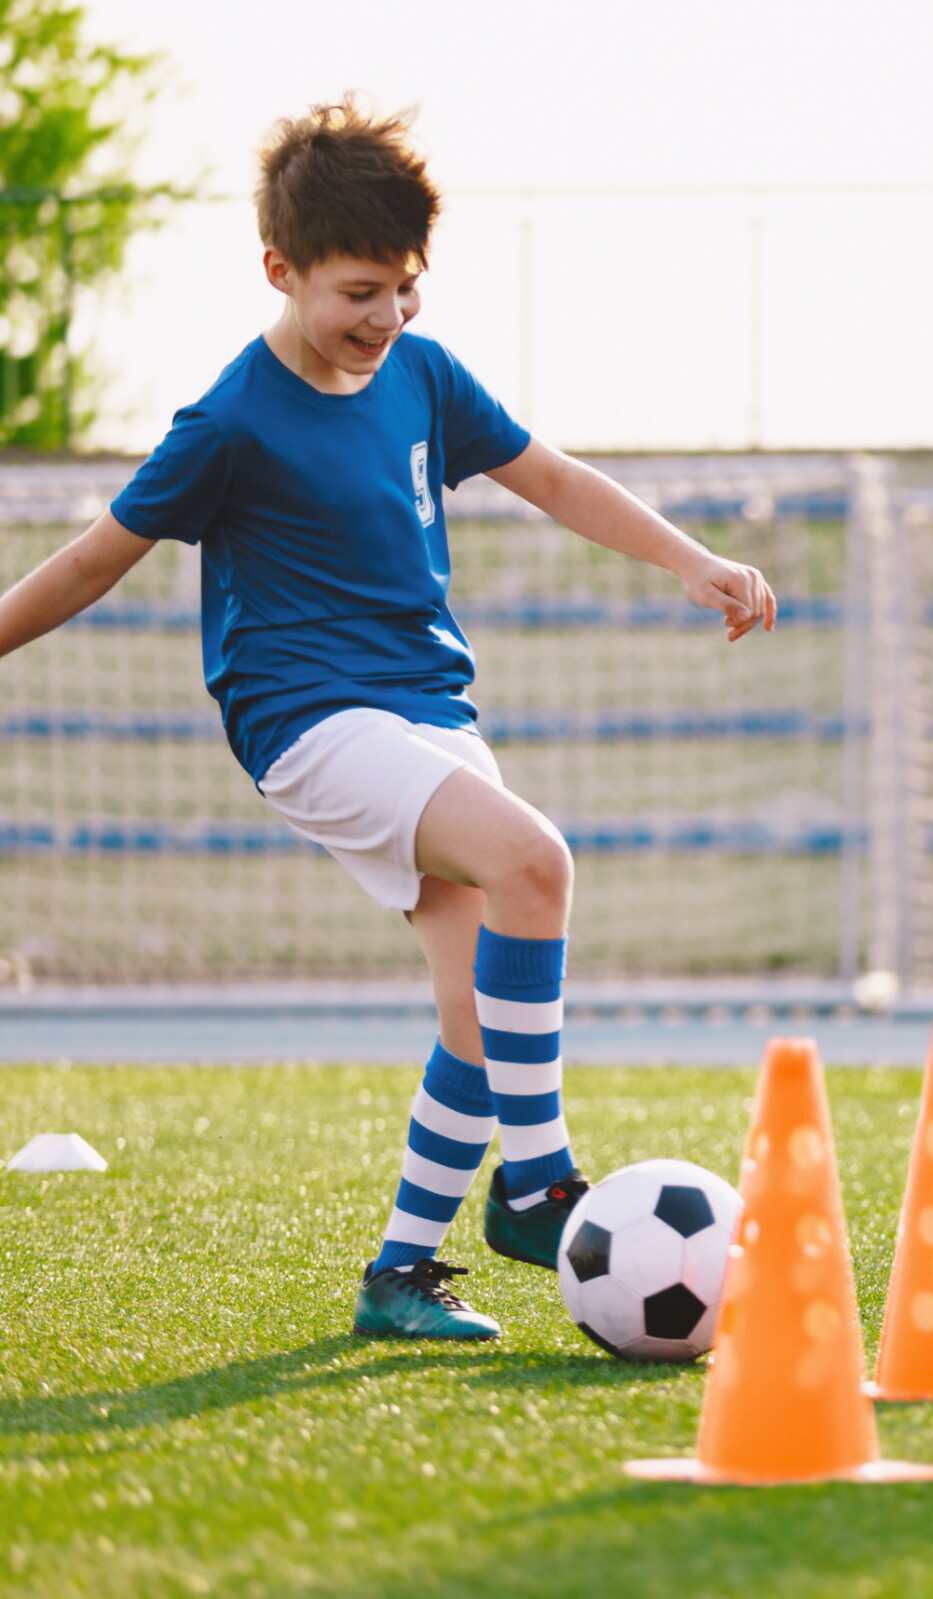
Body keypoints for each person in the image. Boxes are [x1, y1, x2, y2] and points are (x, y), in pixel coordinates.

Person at [0, 100, 777, 1339]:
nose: (387, 317)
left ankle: (398, 1277)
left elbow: (554, 478)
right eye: (361, 290)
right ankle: (538, 1183)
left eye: (406, 289)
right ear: (280, 270)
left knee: (479, 1014)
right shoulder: (228, 420)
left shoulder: (420, 371)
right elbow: (96, 562)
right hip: (306, 722)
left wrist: (691, 562)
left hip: (428, 710)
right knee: (538, 862)